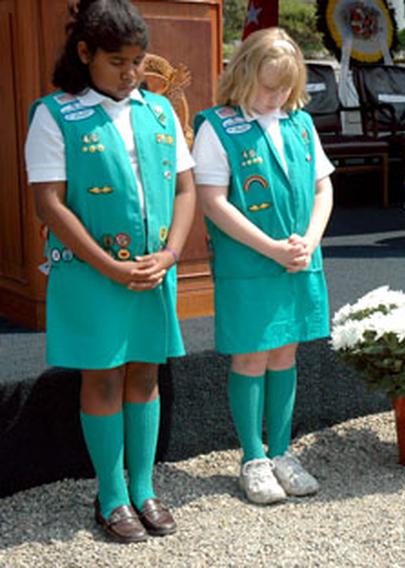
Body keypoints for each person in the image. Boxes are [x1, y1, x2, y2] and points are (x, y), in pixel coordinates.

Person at [24, 0, 195, 543]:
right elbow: (48, 203)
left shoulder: (160, 110)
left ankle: (144, 488)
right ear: (85, 53)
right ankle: (111, 496)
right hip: (92, 273)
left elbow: (186, 189)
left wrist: (169, 255)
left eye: (138, 61)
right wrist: (109, 266)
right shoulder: (55, 114)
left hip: (152, 270)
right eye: (117, 61)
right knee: (102, 375)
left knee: (145, 373)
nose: (130, 73)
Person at [192, 27, 331, 505]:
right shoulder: (216, 126)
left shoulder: (299, 122)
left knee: (285, 353)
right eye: (268, 87)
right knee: (251, 354)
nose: (275, 98)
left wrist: (309, 240)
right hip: (251, 264)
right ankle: (253, 457)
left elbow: (322, 188)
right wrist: (272, 248)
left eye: (284, 89)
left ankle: (282, 452)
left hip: (297, 260)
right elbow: (212, 201)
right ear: (244, 74)